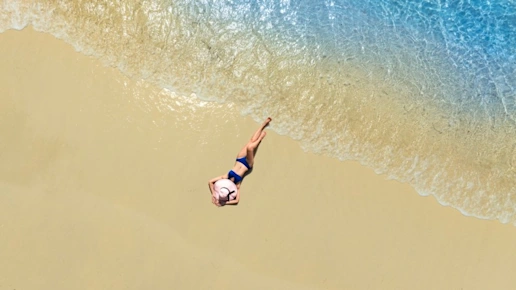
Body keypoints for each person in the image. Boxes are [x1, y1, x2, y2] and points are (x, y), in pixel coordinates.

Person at [208, 117, 272, 207]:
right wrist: (225, 203)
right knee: (250, 148)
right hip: (247, 164)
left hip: (239, 159)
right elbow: (237, 201)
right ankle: (260, 138)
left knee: (250, 142)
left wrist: (214, 193)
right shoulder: (237, 186)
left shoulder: (224, 177)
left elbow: (210, 182)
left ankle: (263, 125)